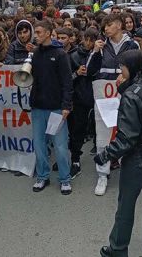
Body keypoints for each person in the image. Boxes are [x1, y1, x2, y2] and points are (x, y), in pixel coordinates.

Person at [96, 49, 142, 257]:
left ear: (132, 68)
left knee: (125, 206)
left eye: (123, 67)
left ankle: (118, 249)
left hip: (136, 159)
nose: (120, 71)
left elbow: (127, 137)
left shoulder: (130, 96)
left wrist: (106, 154)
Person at [95, 14, 139, 196]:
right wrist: (93, 53)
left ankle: (128, 173)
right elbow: (90, 71)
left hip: (127, 97)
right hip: (105, 97)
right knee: (104, 133)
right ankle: (102, 174)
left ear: (119, 25)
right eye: (104, 26)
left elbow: (139, 70)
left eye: (109, 25)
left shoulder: (132, 45)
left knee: (127, 133)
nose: (105, 28)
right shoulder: (101, 46)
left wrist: (127, 77)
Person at [29, 21, 74, 195]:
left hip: (56, 107)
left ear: (48, 33)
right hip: (38, 107)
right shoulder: (35, 53)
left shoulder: (61, 54)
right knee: (39, 145)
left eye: (39, 32)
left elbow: (67, 81)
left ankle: (65, 179)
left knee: (60, 146)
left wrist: (66, 105)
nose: (36, 35)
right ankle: (42, 176)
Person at [68, 27, 102, 178]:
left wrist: (95, 53)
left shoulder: (100, 54)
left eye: (92, 40)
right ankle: (74, 159)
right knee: (77, 130)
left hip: (98, 96)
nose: (88, 43)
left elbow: (94, 70)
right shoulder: (74, 55)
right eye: (86, 39)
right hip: (80, 98)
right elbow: (68, 77)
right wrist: (76, 74)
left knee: (98, 128)